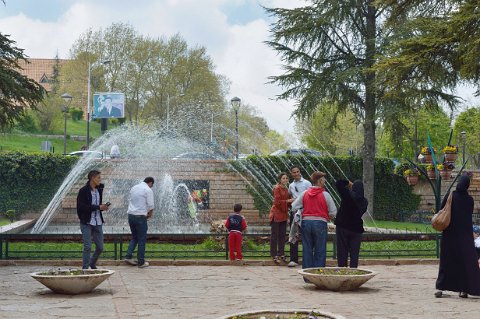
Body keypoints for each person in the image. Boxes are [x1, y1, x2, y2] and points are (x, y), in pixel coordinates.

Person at [435, 175, 480, 298]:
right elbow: (468, 217)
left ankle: (440, 288)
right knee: (465, 262)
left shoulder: (451, 196)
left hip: (449, 234)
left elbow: (442, 209)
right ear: (467, 185)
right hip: (464, 235)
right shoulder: (470, 200)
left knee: (447, 261)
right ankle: (464, 290)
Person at [292, 171, 337, 270]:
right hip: (320, 223)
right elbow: (333, 212)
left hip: (306, 223)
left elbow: (294, 206)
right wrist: (327, 215)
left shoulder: (305, 193)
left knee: (307, 249)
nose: (325, 181)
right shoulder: (326, 195)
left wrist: (304, 209)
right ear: (320, 181)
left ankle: (308, 276)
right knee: (320, 250)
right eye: (324, 179)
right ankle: (319, 274)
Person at [76, 170, 110, 269]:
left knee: (100, 247)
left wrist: (103, 208)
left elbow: (97, 206)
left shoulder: (99, 189)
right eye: (98, 177)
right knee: (88, 247)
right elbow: (81, 207)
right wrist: (98, 207)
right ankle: (85, 269)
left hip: (98, 221)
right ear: (92, 178)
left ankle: (92, 263)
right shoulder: (83, 191)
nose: (100, 179)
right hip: (87, 222)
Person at [334, 179, 368, 268]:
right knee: (354, 253)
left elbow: (338, 182)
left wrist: (348, 183)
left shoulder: (347, 194)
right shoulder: (365, 202)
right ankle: (353, 271)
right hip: (357, 229)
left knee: (342, 251)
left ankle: (342, 270)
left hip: (343, 227)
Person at [124, 177, 155, 268]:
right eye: (152, 185)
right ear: (150, 183)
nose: (152, 187)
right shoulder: (148, 190)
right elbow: (151, 205)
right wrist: (150, 214)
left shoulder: (134, 187)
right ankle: (141, 262)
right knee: (142, 239)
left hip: (131, 216)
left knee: (134, 237)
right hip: (140, 217)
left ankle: (128, 256)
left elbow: (130, 200)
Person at [287, 166, 312, 267]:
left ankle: (308, 258)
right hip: (295, 213)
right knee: (293, 235)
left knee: (306, 235)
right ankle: (294, 259)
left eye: (297, 172)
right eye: (294, 172)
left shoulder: (307, 183)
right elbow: (290, 197)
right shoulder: (291, 185)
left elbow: (311, 196)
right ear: (291, 174)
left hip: (305, 212)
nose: (296, 174)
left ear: (300, 172)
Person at [269, 172, 294, 264]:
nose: (285, 180)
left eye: (286, 178)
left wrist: (292, 202)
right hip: (276, 214)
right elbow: (277, 202)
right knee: (274, 235)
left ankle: (281, 253)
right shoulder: (277, 188)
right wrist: (288, 201)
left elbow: (289, 202)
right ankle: (274, 254)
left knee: (282, 235)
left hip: (283, 214)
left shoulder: (286, 189)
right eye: (283, 178)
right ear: (280, 179)